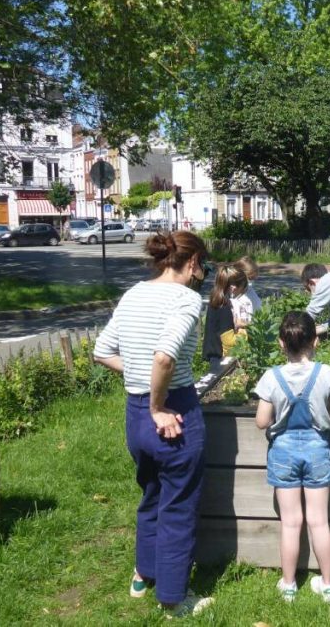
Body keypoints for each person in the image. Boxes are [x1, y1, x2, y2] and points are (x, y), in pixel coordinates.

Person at [93, 231, 215, 618]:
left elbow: (102, 351)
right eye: (203, 265)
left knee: (151, 494)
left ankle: (142, 575)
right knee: (178, 504)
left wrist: (145, 393)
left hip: (135, 416)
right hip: (173, 412)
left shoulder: (134, 294)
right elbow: (165, 357)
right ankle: (174, 599)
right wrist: (159, 405)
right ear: (193, 262)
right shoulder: (186, 299)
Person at [254, 311, 330, 604]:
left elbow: (261, 421)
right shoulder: (327, 374)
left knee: (291, 522)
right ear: (314, 341)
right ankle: (328, 585)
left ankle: (289, 584)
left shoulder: (271, 377)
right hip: (318, 449)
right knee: (319, 521)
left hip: (283, 452)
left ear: (282, 343)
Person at [203, 264, 247, 367]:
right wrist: (243, 331)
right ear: (233, 288)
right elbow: (229, 341)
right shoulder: (224, 307)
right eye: (242, 289)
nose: (242, 293)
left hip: (213, 352)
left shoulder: (215, 300)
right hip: (220, 358)